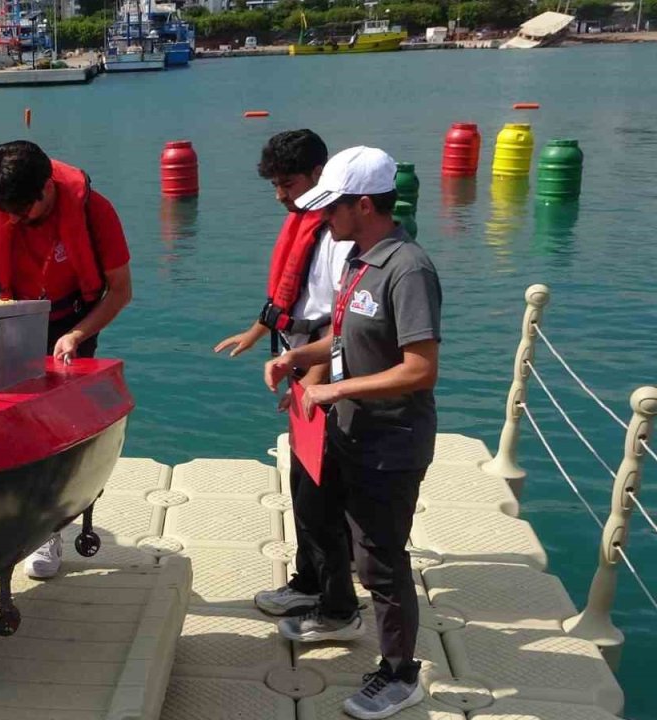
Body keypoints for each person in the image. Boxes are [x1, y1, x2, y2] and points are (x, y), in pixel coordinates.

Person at [264, 146, 442, 720]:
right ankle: (337, 610)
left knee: (382, 561)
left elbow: (420, 367)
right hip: (347, 432)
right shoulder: (355, 260)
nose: (323, 219)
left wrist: (334, 391)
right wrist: (296, 359)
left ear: (364, 205)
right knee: (325, 523)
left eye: (332, 209)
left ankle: (400, 674)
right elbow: (344, 341)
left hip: (390, 441)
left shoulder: (408, 269)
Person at [0, 140, 133, 579]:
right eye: (4, 213)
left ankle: (48, 531)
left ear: (46, 189)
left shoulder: (94, 211)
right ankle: (6, 518)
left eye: (21, 212)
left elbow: (120, 291)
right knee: (5, 430)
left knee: (57, 434)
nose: (12, 221)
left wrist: (79, 334)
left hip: (73, 325)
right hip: (12, 321)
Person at [213, 129, 354, 619]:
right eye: (274, 185)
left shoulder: (337, 236)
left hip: (326, 379)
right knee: (303, 486)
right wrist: (256, 333)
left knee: (319, 497)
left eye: (287, 184)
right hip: (303, 372)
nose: (280, 196)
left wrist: (312, 386)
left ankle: (335, 606)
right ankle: (309, 581)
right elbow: (291, 298)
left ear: (318, 174)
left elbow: (341, 325)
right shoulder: (305, 221)